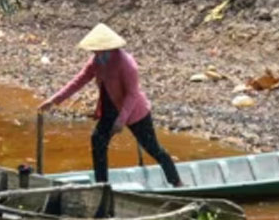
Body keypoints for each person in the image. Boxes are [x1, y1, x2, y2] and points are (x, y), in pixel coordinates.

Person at [38, 23, 184, 188]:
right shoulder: (97, 60)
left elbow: (132, 94)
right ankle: (102, 184)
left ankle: (176, 181)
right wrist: (55, 99)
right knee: (98, 141)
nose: (93, 52)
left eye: (96, 49)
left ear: (106, 47)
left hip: (135, 111)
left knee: (153, 148)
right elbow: (80, 80)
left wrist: (121, 120)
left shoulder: (126, 64)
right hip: (109, 108)